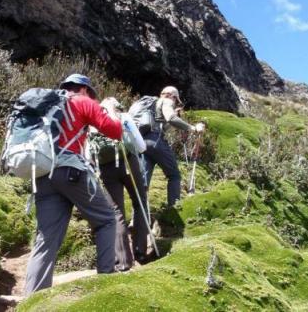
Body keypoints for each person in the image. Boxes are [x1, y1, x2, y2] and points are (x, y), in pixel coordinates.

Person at [24, 74, 122, 294]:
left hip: (42, 173)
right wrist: (112, 112)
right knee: (106, 220)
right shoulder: (82, 101)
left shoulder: (48, 106)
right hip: (70, 171)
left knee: (46, 239)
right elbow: (115, 131)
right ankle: (106, 285)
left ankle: (32, 298)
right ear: (85, 89)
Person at [89, 98, 149, 270]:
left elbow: (88, 154)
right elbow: (141, 146)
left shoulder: (93, 123)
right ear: (116, 107)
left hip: (106, 169)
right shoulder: (123, 117)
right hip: (128, 162)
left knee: (116, 212)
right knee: (140, 202)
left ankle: (123, 261)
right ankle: (140, 250)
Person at [143, 86, 205, 206]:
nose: (175, 103)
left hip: (142, 142)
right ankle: (174, 208)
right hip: (156, 142)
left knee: (143, 181)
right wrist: (193, 128)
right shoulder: (167, 101)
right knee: (174, 176)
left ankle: (137, 218)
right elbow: (171, 118)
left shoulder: (151, 104)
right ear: (173, 96)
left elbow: (161, 124)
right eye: (176, 101)